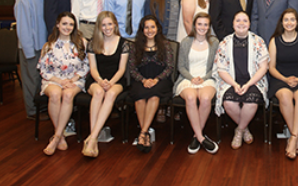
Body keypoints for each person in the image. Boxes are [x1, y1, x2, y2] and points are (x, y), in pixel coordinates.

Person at [213, 11, 269, 149]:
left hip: (253, 81)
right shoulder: (225, 42)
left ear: (249, 24)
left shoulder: (258, 41)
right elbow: (221, 69)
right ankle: (245, 128)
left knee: (251, 103)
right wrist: (234, 84)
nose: (241, 23)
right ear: (233, 23)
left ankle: (238, 131)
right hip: (231, 81)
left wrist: (249, 84)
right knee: (228, 103)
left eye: (245, 20)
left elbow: (263, 67)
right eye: (238, 20)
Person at [38, 12, 89, 155]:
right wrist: (60, 81)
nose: (68, 27)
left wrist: (72, 80)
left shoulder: (81, 43)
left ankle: (56, 137)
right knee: (55, 94)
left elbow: (87, 65)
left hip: (75, 80)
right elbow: (43, 70)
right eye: (64, 24)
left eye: (71, 24)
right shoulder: (49, 46)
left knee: (67, 95)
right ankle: (59, 135)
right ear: (57, 25)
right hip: (53, 80)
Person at [268, 9, 298, 160]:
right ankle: (297, 138)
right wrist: (286, 79)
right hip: (280, 79)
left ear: (297, 22)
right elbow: (271, 67)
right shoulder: (274, 41)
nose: (289, 23)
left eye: (292, 19)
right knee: (286, 97)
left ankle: (293, 137)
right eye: (286, 20)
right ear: (281, 22)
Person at [82, 11, 129, 158]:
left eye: (110, 24)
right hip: (97, 79)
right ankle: (94, 139)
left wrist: (110, 82)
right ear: (99, 27)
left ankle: (92, 138)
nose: (107, 27)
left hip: (116, 80)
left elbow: (122, 69)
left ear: (115, 24)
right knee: (98, 93)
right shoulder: (92, 43)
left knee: (110, 94)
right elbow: (93, 69)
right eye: (104, 25)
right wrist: (100, 81)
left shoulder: (124, 43)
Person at [174, 13, 220, 154]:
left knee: (205, 98)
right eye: (199, 24)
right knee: (191, 98)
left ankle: (196, 137)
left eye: (205, 24)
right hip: (187, 78)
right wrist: (192, 78)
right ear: (194, 25)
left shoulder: (214, 42)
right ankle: (201, 137)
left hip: (208, 78)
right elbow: (181, 66)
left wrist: (204, 78)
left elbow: (216, 67)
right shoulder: (186, 42)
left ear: (209, 27)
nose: (202, 27)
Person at [128, 15, 174, 153]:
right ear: (142, 30)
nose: (149, 30)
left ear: (157, 28)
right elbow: (132, 69)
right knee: (140, 97)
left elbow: (169, 67)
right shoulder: (135, 46)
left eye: (152, 27)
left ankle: (142, 133)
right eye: (146, 27)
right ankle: (145, 133)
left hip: (161, 81)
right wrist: (143, 80)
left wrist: (156, 79)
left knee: (154, 96)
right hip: (140, 80)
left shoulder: (165, 45)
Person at [14, 0, 49, 120]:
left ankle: (42, 108)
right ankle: (32, 112)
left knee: (43, 80)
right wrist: (28, 51)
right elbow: (23, 28)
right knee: (31, 80)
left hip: (45, 46)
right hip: (31, 47)